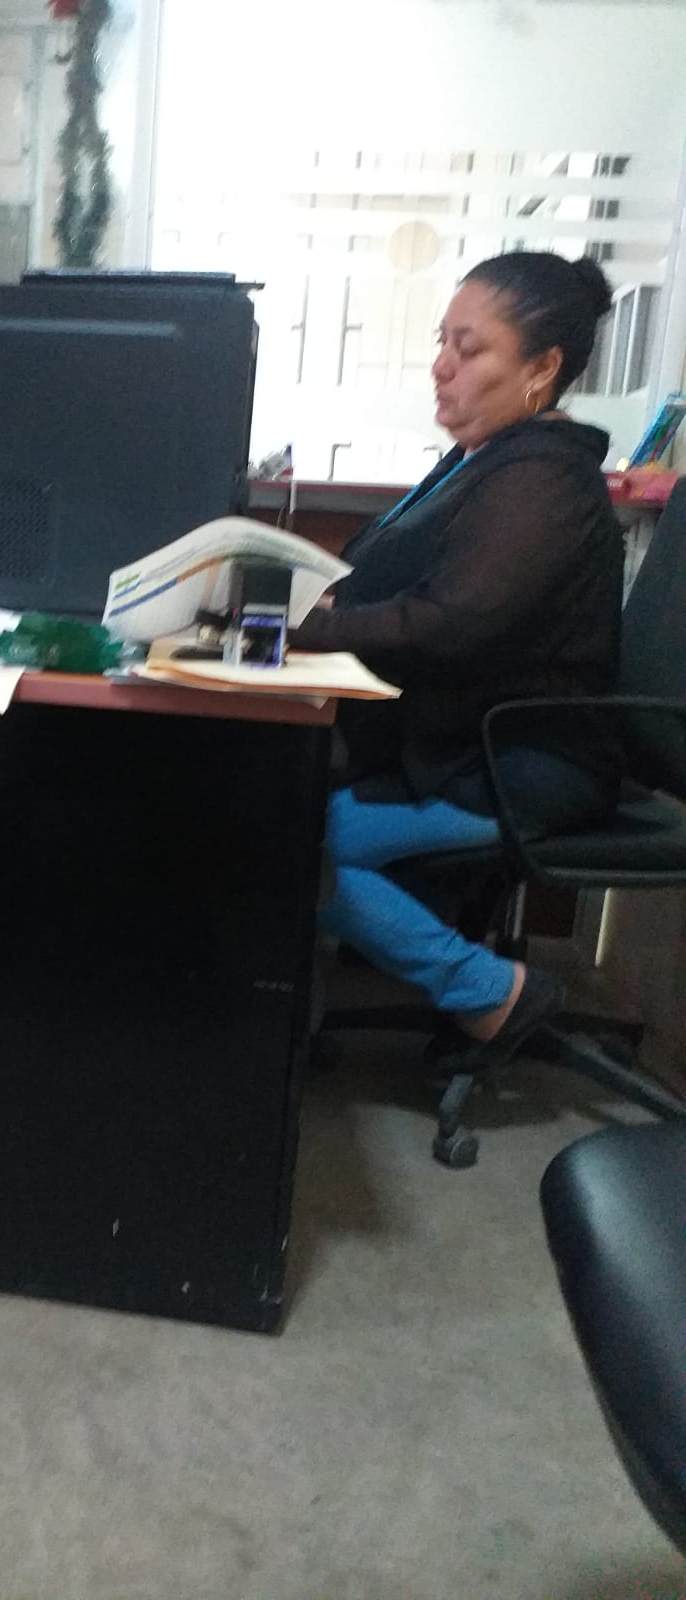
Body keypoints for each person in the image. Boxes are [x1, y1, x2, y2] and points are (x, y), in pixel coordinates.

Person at [291, 251, 623, 1064]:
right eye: (442, 341)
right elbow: (387, 580)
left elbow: (451, 624)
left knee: (286, 839)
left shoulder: (545, 480)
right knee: (283, 813)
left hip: (520, 763)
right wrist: (312, 605)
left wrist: (300, 630)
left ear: (541, 368)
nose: (441, 366)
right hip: (457, 745)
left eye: (469, 349)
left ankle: (493, 993)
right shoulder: (481, 461)